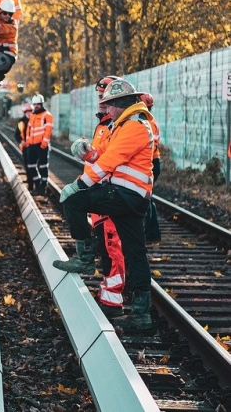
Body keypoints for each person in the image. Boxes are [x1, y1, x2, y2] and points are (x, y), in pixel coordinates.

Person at [53, 77, 156, 331]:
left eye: (109, 104)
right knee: (135, 253)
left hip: (125, 196)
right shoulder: (124, 125)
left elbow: (109, 163)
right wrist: (88, 153)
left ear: (120, 103)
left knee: (74, 200)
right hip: (130, 198)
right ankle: (141, 315)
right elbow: (105, 156)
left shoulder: (133, 127)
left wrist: (79, 184)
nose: (106, 109)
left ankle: (85, 257)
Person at [72, 75, 123, 316]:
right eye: (100, 97)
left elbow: (110, 160)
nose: (102, 102)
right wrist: (87, 151)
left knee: (111, 247)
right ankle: (107, 294)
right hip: (100, 192)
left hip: (109, 193)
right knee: (105, 246)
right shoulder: (104, 124)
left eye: (106, 98)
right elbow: (100, 155)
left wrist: (84, 183)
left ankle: (112, 302)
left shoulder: (116, 125)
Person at [139, 92, 162, 244]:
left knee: (144, 199)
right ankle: (152, 234)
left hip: (149, 163)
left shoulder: (144, 122)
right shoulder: (152, 121)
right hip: (154, 162)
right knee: (147, 198)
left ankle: (150, 234)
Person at [24, 94, 53, 195]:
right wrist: (27, 142)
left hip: (41, 145)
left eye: (38, 104)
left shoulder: (47, 115)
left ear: (41, 104)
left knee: (42, 166)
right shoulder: (32, 115)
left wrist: (44, 144)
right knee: (31, 166)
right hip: (31, 145)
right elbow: (29, 129)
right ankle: (37, 184)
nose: (36, 106)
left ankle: (43, 186)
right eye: (34, 104)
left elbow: (48, 130)